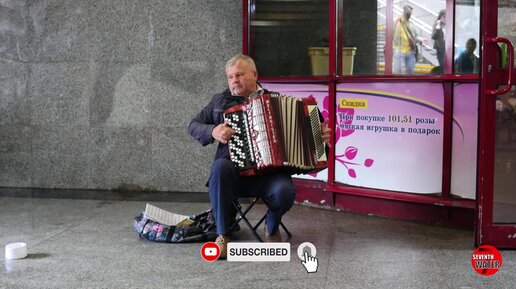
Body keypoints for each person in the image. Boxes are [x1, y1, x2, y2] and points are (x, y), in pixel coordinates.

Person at [187, 54, 331, 258]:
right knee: (219, 168)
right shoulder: (219, 101)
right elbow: (193, 125)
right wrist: (213, 131)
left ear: (254, 75)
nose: (234, 80)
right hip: (233, 175)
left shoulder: (278, 102)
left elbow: (315, 144)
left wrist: (320, 139)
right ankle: (223, 234)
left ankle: (271, 227)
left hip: (270, 175)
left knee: (284, 191)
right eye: (230, 77)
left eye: (239, 75)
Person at [393, 5, 422, 75]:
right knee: (397, 71)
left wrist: (421, 39)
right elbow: (391, 33)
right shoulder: (397, 21)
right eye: (408, 12)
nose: (409, 14)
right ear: (404, 11)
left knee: (410, 70)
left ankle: (409, 84)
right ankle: (397, 84)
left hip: (410, 50)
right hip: (399, 49)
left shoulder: (411, 24)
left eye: (410, 12)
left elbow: (415, 36)